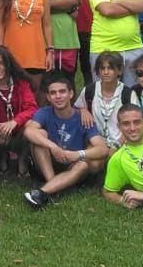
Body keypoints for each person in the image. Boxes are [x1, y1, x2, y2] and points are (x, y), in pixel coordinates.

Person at [22, 70, 112, 208]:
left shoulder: (83, 118)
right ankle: (53, 185)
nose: (58, 96)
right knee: (39, 135)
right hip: (48, 163)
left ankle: (44, 192)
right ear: (48, 97)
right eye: (53, 93)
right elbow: (29, 131)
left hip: (72, 164)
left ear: (71, 94)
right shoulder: (44, 112)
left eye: (62, 92)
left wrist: (77, 154)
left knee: (83, 164)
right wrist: (53, 147)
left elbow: (102, 149)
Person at [0, 46, 38, 176]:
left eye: (1, 63)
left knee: (31, 125)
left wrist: (15, 122)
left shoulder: (20, 82)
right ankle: (2, 158)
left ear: (8, 63)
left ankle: (23, 160)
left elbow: (32, 108)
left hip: (17, 128)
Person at [0, 0, 50, 81]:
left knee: (34, 93)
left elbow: (47, 25)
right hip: (11, 51)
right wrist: (0, 49)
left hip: (35, 52)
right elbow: (0, 23)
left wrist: (50, 51)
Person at [74, 51, 127, 143]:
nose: (106, 72)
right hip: (95, 141)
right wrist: (82, 110)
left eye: (110, 68)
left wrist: (116, 146)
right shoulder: (89, 90)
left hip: (121, 143)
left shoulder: (127, 93)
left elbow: (134, 124)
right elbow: (74, 109)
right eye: (102, 68)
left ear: (119, 71)